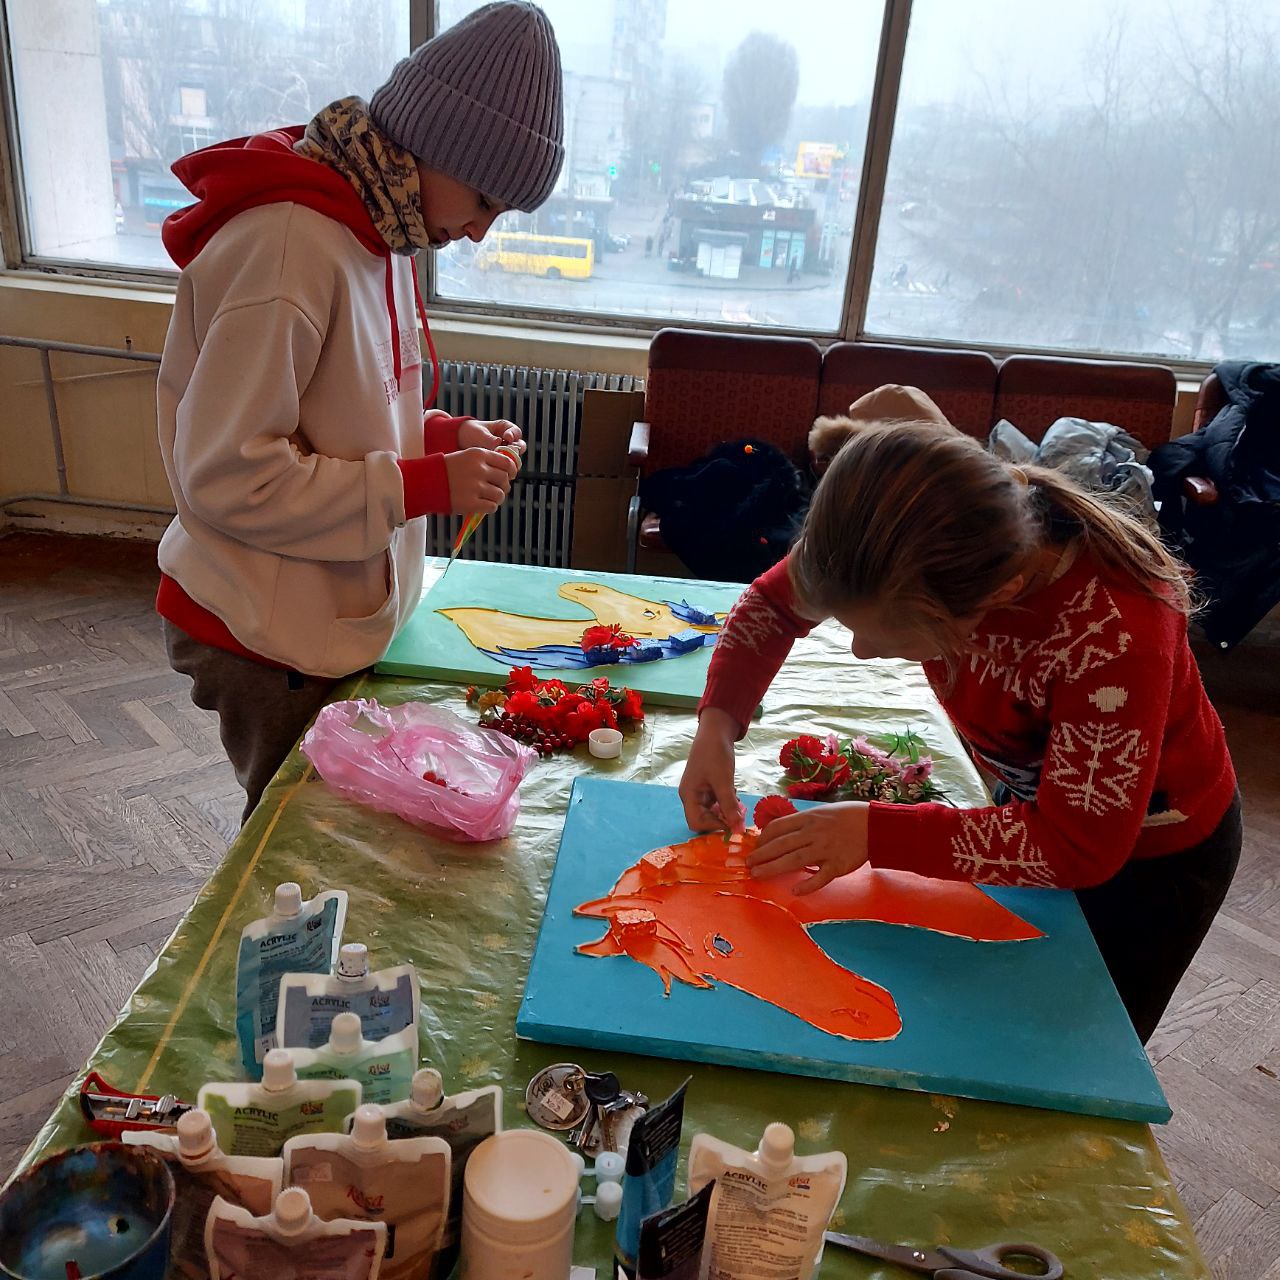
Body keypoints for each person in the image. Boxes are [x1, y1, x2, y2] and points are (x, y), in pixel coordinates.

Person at [680, 408, 1241, 1044]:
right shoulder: (888, 538)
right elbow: (773, 605)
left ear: (994, 599)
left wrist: (876, 832)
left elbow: (1076, 846)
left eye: (882, 636)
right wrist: (716, 727)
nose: (860, 651)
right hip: (1039, 804)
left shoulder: (1111, 639)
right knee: (993, 1005)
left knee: (1070, 1045)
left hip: (1153, 867)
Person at [155, 2, 564, 821]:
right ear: (435, 145)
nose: (479, 233)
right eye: (484, 200)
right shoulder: (288, 246)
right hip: (264, 634)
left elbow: (344, 410)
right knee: (297, 843)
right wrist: (422, 485)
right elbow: (230, 476)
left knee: (337, 831)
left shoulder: (382, 228)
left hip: (319, 615)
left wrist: (442, 439)